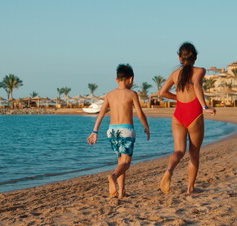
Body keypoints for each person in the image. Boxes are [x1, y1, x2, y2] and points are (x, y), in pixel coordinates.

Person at [159, 42, 216, 194]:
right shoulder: (200, 70)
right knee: (194, 153)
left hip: (178, 114)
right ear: (195, 57)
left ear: (179, 58)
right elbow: (197, 85)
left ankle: (169, 170)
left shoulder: (175, 74)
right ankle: (190, 188)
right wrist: (205, 107)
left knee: (179, 150)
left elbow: (162, 93)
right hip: (194, 113)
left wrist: (177, 98)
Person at [86, 64, 150, 198]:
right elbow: (140, 113)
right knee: (126, 163)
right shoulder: (132, 93)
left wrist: (95, 131)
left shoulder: (109, 95)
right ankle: (113, 177)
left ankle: (121, 192)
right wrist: (146, 127)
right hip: (126, 129)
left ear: (117, 79)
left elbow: (101, 113)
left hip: (112, 131)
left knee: (121, 161)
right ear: (131, 79)